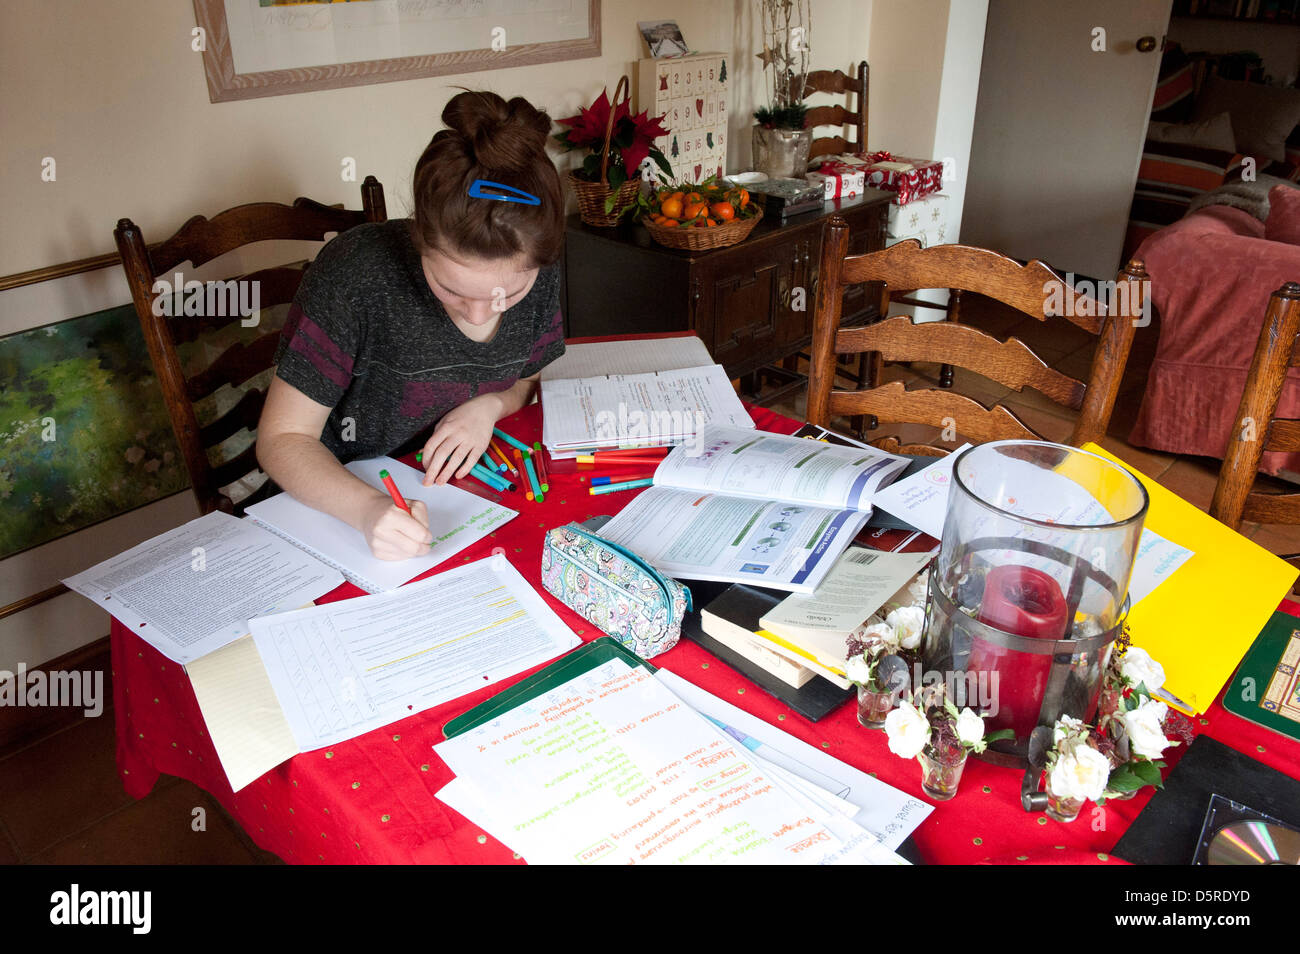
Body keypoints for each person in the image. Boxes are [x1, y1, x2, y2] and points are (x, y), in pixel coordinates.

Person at [256, 90, 565, 561]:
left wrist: (493, 404)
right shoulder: (356, 274)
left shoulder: (540, 269)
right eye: (453, 289)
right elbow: (282, 439)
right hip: (335, 508)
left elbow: (528, 379)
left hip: (461, 495)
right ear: (418, 237)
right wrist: (367, 511)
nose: (478, 315)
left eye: (508, 296)